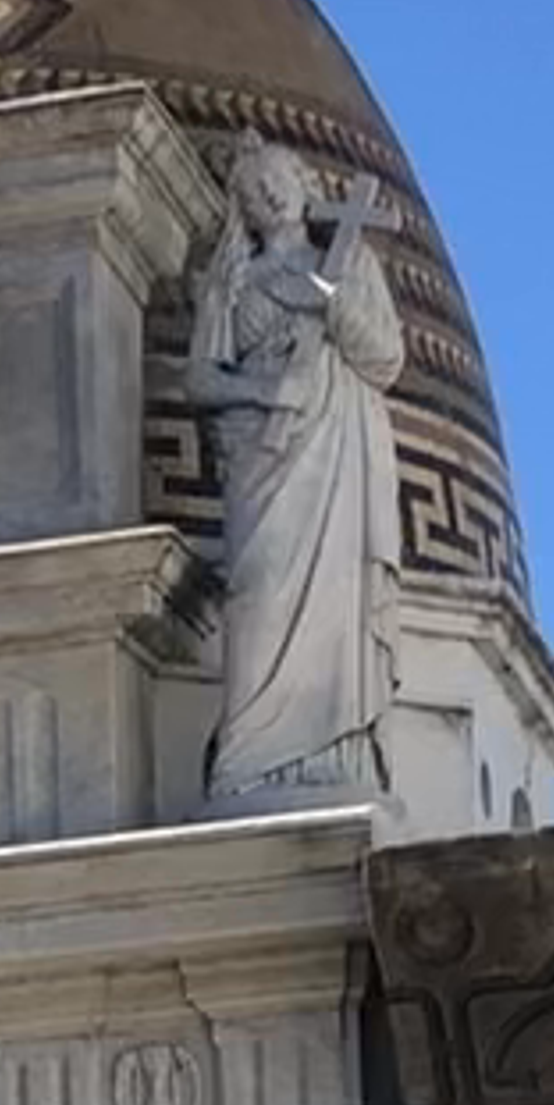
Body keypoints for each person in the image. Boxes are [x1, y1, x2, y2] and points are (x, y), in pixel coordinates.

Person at [192, 135, 402, 807]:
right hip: (263, 459)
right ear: (242, 209)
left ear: (304, 181)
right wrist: (264, 392)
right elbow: (200, 378)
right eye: (254, 189)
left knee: (331, 602)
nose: (270, 194)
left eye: (278, 177)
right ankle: (251, 759)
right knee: (256, 595)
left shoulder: (347, 262)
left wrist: (329, 299)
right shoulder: (231, 282)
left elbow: (385, 359)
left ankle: (329, 748)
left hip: (337, 455)